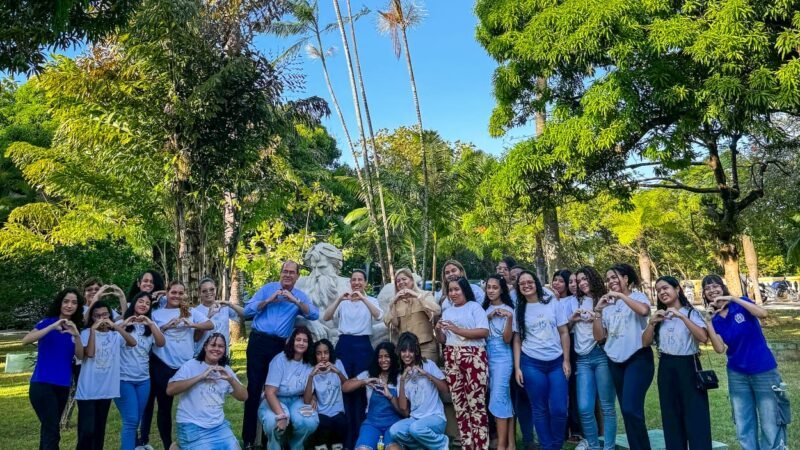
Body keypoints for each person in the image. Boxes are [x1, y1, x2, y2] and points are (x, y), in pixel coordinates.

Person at [702, 274, 790, 449]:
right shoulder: (715, 319)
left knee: (770, 419)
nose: (712, 290)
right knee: (743, 421)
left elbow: (763, 313)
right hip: (737, 374)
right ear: (704, 294)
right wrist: (708, 322)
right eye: (707, 288)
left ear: (722, 287)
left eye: (715, 286)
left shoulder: (740, 303)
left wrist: (734, 298)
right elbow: (719, 349)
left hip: (763, 369)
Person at [242, 260, 319, 448]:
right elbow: (247, 310)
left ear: (297, 276)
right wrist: (268, 301)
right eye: (285, 271)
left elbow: (314, 314)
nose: (288, 275)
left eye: (292, 272)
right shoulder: (268, 288)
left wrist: (295, 301)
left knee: (274, 388)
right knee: (254, 389)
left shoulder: (299, 296)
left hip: (279, 345)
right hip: (259, 341)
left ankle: (273, 437)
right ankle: (249, 439)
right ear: (280, 273)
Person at [140, 281, 213, 450]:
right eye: (173, 292)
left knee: (195, 403)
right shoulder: (157, 314)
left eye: (180, 293)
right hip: (163, 364)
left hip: (186, 365)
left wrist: (192, 324)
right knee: (164, 407)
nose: (176, 296)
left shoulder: (190, 312)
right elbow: (150, 336)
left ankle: (198, 440)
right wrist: (165, 327)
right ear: (166, 293)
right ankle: (167, 445)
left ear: (184, 295)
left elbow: (210, 324)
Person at [642, 276, 711, 450]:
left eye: (665, 288)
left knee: (695, 414)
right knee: (670, 415)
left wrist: (681, 316)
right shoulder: (660, 316)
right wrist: (652, 323)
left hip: (689, 365)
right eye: (658, 291)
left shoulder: (691, 313)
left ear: (677, 289)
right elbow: (645, 342)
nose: (662, 293)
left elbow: (703, 338)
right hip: (666, 366)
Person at [592, 263, 653, 450]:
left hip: (638, 358)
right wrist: (598, 311)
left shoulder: (638, 297)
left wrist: (620, 296)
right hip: (615, 361)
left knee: (631, 408)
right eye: (608, 279)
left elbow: (644, 311)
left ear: (626, 279)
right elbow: (599, 337)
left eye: (614, 277)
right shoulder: (608, 307)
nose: (610, 281)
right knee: (628, 412)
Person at [323, 269, 383, 448]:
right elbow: (326, 317)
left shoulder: (371, 300)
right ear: (350, 282)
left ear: (365, 283)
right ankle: (344, 439)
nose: (356, 283)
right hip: (344, 345)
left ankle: (360, 437)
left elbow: (379, 315)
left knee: (362, 388)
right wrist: (340, 299)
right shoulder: (343, 302)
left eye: (360, 280)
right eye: (354, 280)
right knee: (345, 388)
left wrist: (363, 298)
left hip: (363, 346)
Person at [514, 270, 571, 450]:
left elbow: (564, 332)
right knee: (539, 409)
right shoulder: (520, 309)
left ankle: (556, 445)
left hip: (556, 362)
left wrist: (566, 360)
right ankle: (547, 446)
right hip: (531, 363)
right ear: (518, 287)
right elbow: (517, 339)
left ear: (536, 283)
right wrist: (517, 368)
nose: (526, 285)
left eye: (529, 281)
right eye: (522, 283)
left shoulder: (552, 303)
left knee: (559, 409)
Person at [23, 288, 84, 450]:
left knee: (49, 428)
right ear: (60, 303)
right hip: (42, 384)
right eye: (66, 301)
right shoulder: (47, 322)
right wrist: (53, 326)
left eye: (74, 302)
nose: (70, 305)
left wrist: (77, 335)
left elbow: (80, 356)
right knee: (52, 431)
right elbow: (26, 340)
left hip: (63, 385)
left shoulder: (76, 327)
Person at [435, 277, 490, 449]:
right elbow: (444, 339)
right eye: (450, 290)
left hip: (473, 356)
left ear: (465, 290)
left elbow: (484, 331)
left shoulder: (474, 308)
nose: (453, 293)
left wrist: (457, 329)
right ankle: (467, 444)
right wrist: (437, 331)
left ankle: (480, 445)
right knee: (459, 404)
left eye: (457, 289)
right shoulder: (448, 311)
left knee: (476, 404)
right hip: (452, 356)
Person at [166, 333, 247, 450]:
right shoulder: (191, 366)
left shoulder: (226, 369)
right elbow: (170, 390)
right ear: (205, 347)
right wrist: (200, 377)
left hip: (218, 426)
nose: (216, 349)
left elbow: (243, 396)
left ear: (224, 350)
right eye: (213, 345)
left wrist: (231, 379)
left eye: (220, 346)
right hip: (192, 425)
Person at [565, 267, 616, 450]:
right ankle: (593, 446)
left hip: (601, 354)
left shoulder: (606, 299)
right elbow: (565, 329)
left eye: (585, 279)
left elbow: (605, 333)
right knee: (585, 408)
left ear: (593, 278)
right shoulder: (573, 301)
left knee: (607, 407)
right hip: (582, 358)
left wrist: (596, 313)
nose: (582, 283)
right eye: (579, 281)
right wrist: (573, 319)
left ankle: (608, 447)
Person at [75, 301, 137, 450]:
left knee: (99, 430)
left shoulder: (115, 335)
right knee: (87, 431)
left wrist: (116, 326)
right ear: (92, 318)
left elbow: (132, 342)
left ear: (110, 315)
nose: (102, 319)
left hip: (106, 389)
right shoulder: (85, 333)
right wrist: (92, 331)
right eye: (97, 316)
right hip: (88, 390)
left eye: (105, 314)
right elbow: (89, 353)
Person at [115, 292, 165, 450]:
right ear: (134, 303)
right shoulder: (123, 323)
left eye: (147, 303)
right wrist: (125, 322)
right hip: (123, 379)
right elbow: (110, 340)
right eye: (140, 301)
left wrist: (150, 323)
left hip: (143, 380)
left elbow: (161, 342)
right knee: (130, 420)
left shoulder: (150, 326)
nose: (144, 305)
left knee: (135, 421)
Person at [386, 332, 450, 450]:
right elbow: (403, 408)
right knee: (395, 431)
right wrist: (403, 380)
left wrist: (427, 374)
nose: (407, 355)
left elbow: (445, 389)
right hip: (415, 419)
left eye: (410, 351)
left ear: (416, 351)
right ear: (399, 352)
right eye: (404, 351)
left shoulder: (428, 365)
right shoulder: (401, 376)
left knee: (415, 428)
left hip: (435, 418)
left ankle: (441, 443)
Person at [258, 327, 319, 450]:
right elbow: (270, 392)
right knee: (272, 422)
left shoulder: (309, 363)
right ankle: (274, 446)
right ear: (292, 341)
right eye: (298, 339)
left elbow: (307, 401)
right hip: (276, 399)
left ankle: (296, 445)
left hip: (297, 400)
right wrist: (282, 416)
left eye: (305, 341)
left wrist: (311, 377)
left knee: (310, 422)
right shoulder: (279, 360)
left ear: (309, 344)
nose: (301, 343)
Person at [343, 342, 404, 450]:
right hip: (372, 424)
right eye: (380, 357)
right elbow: (345, 387)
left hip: (393, 424)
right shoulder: (369, 374)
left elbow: (402, 410)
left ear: (393, 358)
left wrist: (390, 396)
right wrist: (365, 381)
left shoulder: (400, 378)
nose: (383, 360)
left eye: (387, 356)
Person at [482, 274, 516, 450]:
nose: (491, 291)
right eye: (488, 287)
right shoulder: (483, 310)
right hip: (486, 358)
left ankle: (501, 445)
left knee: (498, 398)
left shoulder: (509, 309)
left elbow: (507, 339)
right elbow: (479, 333)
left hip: (503, 358)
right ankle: (511, 443)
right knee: (503, 399)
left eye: (495, 287)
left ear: (502, 289)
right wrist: (488, 317)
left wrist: (508, 318)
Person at [384, 268, 441, 363]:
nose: (401, 282)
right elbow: (389, 323)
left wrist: (416, 296)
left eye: (404, 279)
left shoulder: (425, 295)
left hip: (426, 347)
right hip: (405, 349)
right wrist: (392, 304)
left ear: (411, 280)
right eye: (398, 281)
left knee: (428, 375)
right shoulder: (395, 301)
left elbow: (437, 310)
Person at [553, 269, 582, 443]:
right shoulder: (549, 301)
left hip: (569, 345)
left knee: (571, 388)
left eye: (560, 281)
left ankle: (576, 429)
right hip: (554, 346)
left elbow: (570, 327)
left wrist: (568, 320)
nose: (556, 283)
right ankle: (562, 431)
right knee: (559, 391)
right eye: (554, 280)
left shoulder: (572, 301)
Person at [305, 339, 349, 449]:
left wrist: (338, 372)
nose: (323, 356)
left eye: (326, 352)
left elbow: (347, 385)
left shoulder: (337, 363)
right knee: (323, 425)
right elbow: (306, 400)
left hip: (338, 411)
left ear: (330, 353)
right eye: (319, 353)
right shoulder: (311, 369)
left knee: (340, 424)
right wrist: (311, 376)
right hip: (321, 411)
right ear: (314, 355)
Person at [192, 277, 245, 355]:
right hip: (202, 355)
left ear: (216, 289)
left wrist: (230, 304)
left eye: (211, 289)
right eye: (204, 291)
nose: (208, 292)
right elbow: (196, 338)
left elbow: (246, 314)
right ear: (199, 293)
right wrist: (208, 316)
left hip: (222, 354)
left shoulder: (224, 307)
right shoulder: (195, 311)